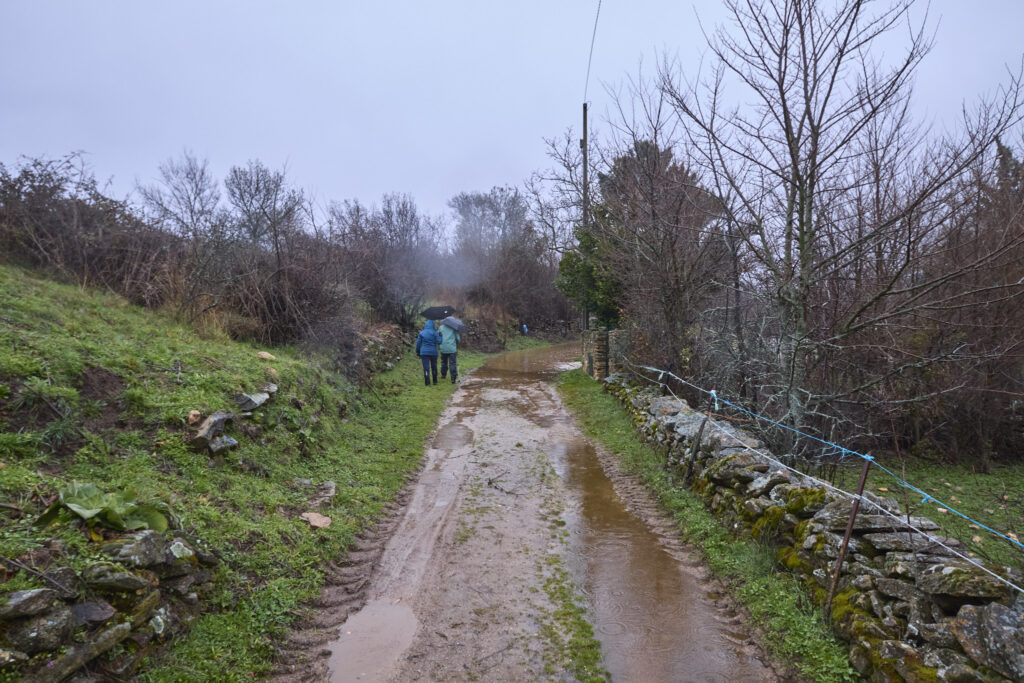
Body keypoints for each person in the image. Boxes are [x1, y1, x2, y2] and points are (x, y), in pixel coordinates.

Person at [415, 319, 442, 386]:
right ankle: (435, 381)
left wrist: (417, 351)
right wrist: (440, 336)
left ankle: (427, 383)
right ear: (433, 325)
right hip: (433, 352)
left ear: (426, 325)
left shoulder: (422, 333)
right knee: (434, 367)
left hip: (424, 353)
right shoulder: (435, 333)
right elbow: (439, 342)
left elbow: (418, 344)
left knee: (426, 368)